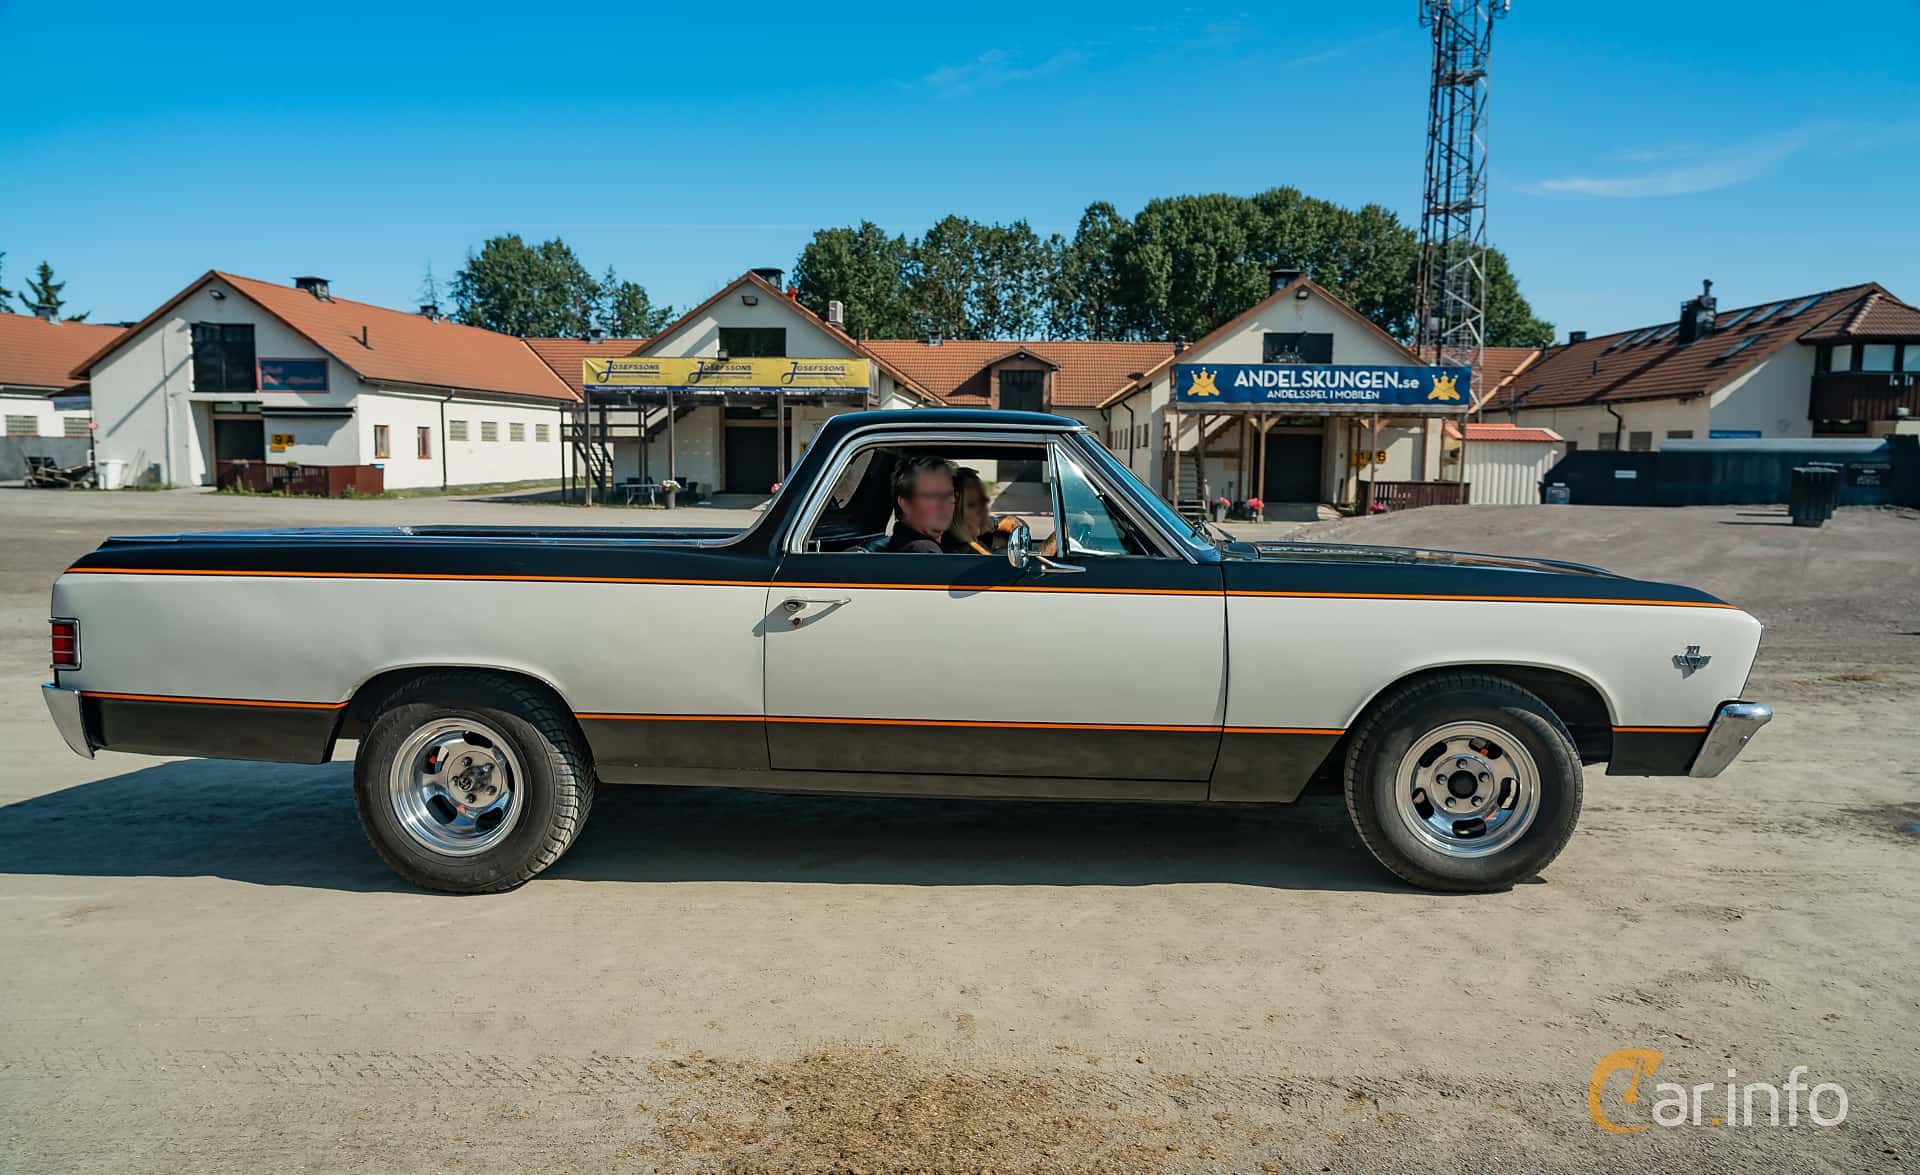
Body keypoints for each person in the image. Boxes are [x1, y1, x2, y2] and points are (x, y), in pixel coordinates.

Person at [884, 454, 957, 553]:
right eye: (932, 496)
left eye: (949, 494)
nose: (944, 504)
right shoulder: (923, 551)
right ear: (905, 503)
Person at [946, 466, 1006, 555]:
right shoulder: (967, 553)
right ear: (953, 509)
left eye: (983, 502)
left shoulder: (978, 542)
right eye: (971, 505)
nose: (982, 511)